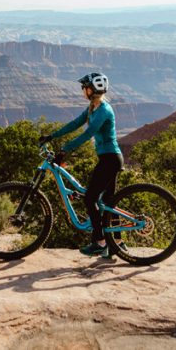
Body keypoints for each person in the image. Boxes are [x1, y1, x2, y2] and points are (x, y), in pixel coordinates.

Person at [41, 72, 123, 258]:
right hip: (107, 158)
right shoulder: (92, 108)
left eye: (84, 87)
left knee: (90, 198)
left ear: (92, 90)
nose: (82, 91)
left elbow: (88, 134)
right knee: (108, 202)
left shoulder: (104, 110)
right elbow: (75, 124)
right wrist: (52, 136)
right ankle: (117, 243)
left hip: (111, 159)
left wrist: (65, 149)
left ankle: (100, 242)